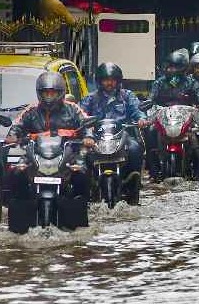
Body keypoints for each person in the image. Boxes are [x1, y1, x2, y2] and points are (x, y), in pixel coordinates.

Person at [4, 72, 93, 204]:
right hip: (35, 153)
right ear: (40, 93)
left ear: (61, 93)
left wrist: (88, 137)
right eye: (46, 93)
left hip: (68, 153)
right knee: (17, 171)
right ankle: (20, 203)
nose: (49, 97)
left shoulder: (73, 109)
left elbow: (86, 123)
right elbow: (17, 125)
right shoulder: (31, 110)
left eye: (53, 93)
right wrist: (12, 136)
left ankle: (82, 204)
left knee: (82, 172)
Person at [80, 63, 147, 191]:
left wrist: (141, 119)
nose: (109, 83)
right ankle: (88, 187)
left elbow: (137, 109)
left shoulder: (127, 96)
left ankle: (133, 183)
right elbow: (81, 115)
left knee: (135, 149)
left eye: (112, 80)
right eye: (105, 80)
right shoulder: (90, 99)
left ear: (118, 81)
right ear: (100, 81)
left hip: (122, 136)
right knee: (82, 155)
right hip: (97, 138)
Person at [148, 50, 199, 181]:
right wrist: (148, 102)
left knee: (196, 136)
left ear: (182, 68)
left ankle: (197, 173)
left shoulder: (190, 82)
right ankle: (153, 172)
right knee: (151, 132)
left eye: (174, 66)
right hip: (163, 118)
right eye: (169, 66)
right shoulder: (159, 83)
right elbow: (151, 97)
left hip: (185, 119)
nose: (170, 69)